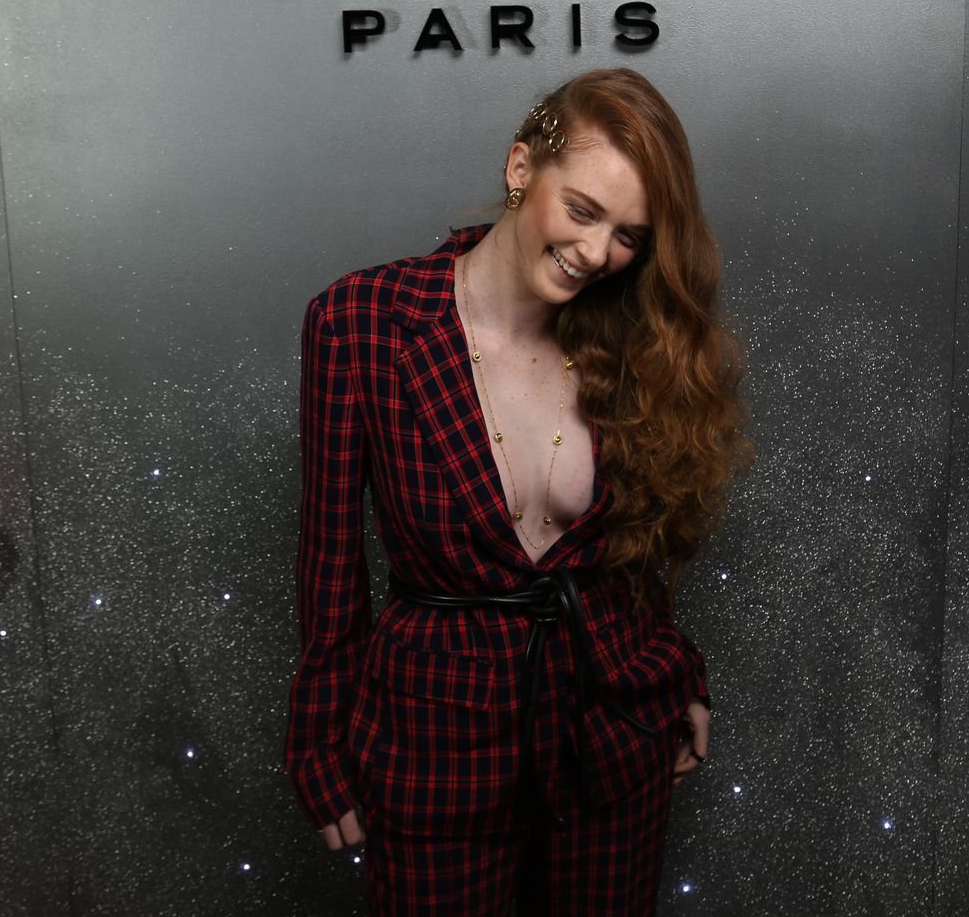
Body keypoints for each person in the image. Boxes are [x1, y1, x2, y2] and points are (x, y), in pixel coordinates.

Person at [285, 67, 752, 915]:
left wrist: (677, 671)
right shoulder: (361, 322)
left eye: (629, 236)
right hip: (435, 741)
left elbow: (639, 550)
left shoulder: (636, 339)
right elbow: (329, 566)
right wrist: (318, 743)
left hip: (613, 736)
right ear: (520, 168)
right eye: (583, 210)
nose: (597, 253)